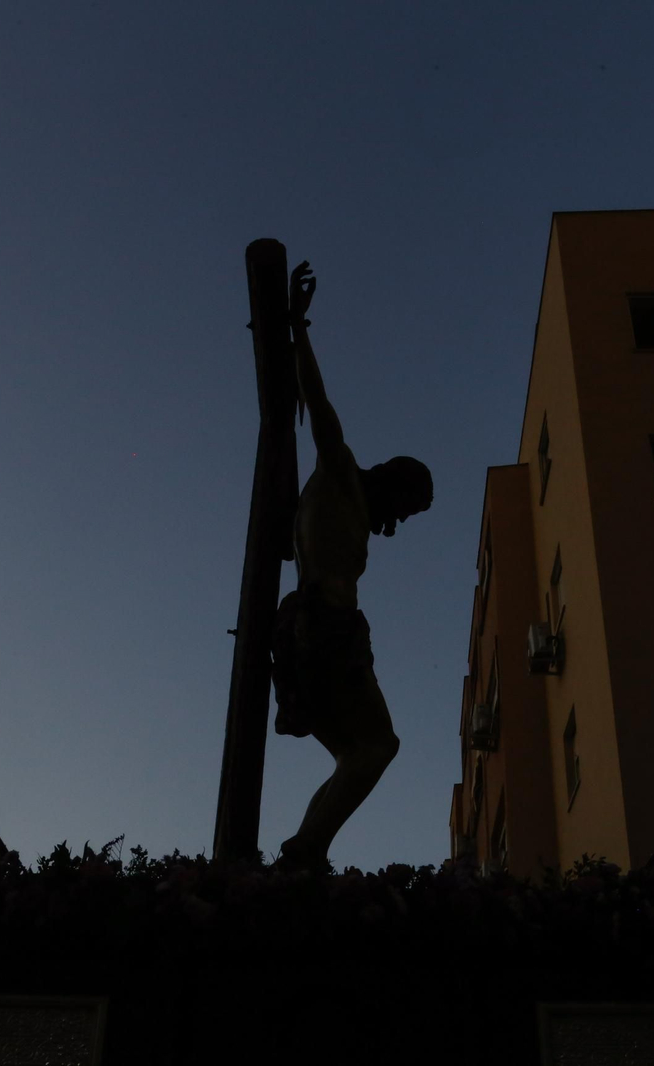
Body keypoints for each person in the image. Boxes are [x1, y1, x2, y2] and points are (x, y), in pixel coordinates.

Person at [271, 261, 433, 869]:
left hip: (318, 628)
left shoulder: (347, 509)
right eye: (409, 504)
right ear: (393, 481)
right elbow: (319, 401)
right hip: (324, 625)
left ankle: (305, 852)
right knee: (378, 747)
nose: (404, 519)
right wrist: (298, 326)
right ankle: (305, 849)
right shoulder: (339, 471)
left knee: (362, 754)